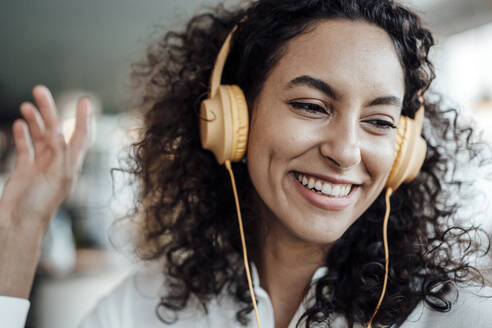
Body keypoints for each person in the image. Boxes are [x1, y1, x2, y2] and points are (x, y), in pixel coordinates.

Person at [2, 0, 492, 327]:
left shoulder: (456, 316)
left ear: (405, 152)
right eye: (311, 106)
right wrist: (23, 226)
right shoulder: (145, 307)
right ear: (233, 120)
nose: (345, 151)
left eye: (380, 122)